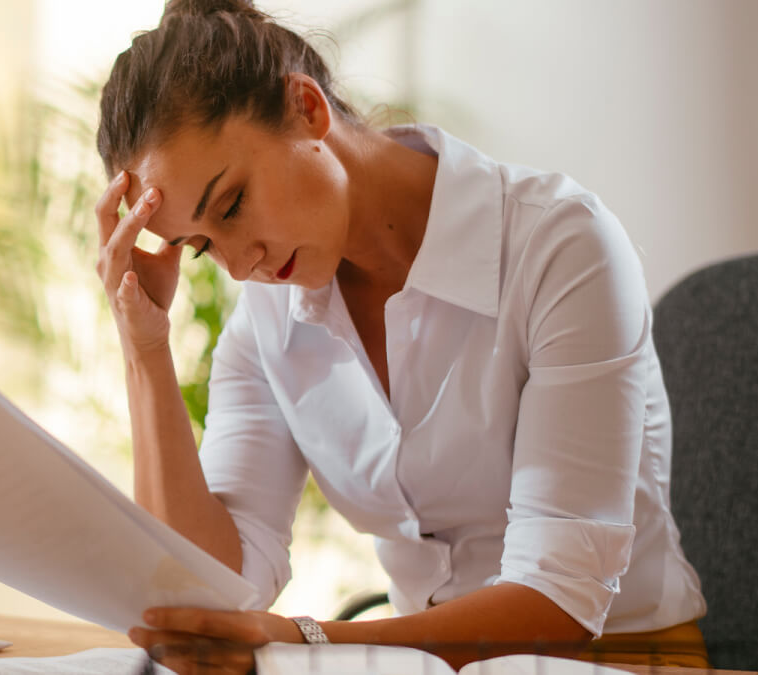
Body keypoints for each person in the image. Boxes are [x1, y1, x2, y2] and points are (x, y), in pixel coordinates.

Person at [92, 1, 708, 673]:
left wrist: (307, 640)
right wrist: (145, 346)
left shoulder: (559, 248)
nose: (243, 263)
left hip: (620, 660)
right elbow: (209, 591)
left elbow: (557, 601)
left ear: (307, 108)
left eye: (233, 203)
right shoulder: (266, 327)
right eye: (204, 245)